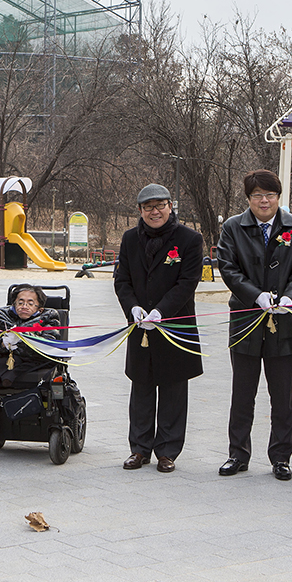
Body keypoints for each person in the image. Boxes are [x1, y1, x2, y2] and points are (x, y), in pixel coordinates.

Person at [217, 170, 292, 481]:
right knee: (242, 392)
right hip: (246, 319)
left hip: (284, 323)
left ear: (278, 197)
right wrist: (255, 295)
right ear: (248, 199)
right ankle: (237, 453)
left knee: (282, 394)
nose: (264, 200)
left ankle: (281, 456)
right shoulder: (233, 227)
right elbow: (228, 268)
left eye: (270, 195)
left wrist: (291, 297)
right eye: (257, 195)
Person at [113, 184, 203, 474]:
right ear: (140, 210)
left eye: (160, 205)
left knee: (173, 388)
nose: (155, 211)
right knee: (141, 387)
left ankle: (167, 450)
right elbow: (122, 280)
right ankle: (139, 449)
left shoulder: (189, 239)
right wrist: (133, 308)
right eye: (148, 207)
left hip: (175, 325)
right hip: (140, 327)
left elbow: (187, 282)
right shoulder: (129, 239)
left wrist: (161, 311)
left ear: (170, 206)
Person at [0, 284, 62, 392]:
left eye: (30, 303)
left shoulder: (49, 318)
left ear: (40, 309)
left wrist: (21, 338)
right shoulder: (1, 316)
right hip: (8, 356)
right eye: (20, 303)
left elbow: (48, 343)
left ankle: (8, 378)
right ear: (14, 304)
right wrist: (4, 344)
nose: (24, 306)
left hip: (35, 358)